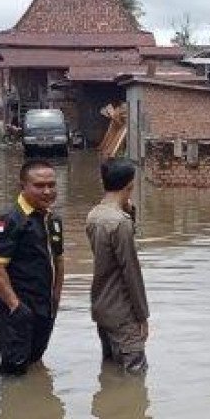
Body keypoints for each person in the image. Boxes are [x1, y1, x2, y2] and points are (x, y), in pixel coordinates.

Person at [0, 159, 65, 375]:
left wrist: (56, 297)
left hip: (45, 306)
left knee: (36, 359)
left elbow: (58, 260)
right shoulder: (7, 220)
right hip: (17, 307)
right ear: (23, 186)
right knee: (15, 370)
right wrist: (16, 306)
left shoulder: (53, 220)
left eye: (51, 184)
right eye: (39, 186)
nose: (47, 191)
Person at [85, 158, 150, 374]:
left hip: (102, 307)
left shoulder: (94, 215)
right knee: (135, 378)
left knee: (111, 369)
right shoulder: (119, 223)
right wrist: (142, 316)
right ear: (130, 186)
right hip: (123, 314)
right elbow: (131, 273)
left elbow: (109, 259)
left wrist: (129, 212)